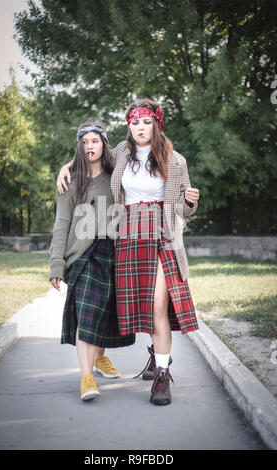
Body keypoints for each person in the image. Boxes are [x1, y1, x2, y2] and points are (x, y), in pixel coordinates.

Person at [57, 99, 200, 406]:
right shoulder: (121, 152)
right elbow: (89, 156)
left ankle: (162, 376)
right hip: (128, 237)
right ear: (129, 126)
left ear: (156, 125)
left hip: (162, 236)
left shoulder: (176, 161)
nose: (139, 128)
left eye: (145, 122)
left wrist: (190, 201)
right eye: (134, 122)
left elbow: (183, 210)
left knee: (158, 306)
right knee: (143, 308)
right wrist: (66, 166)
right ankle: (156, 354)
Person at [50, 121, 135, 402]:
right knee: (86, 317)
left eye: (95, 141)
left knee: (103, 313)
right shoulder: (70, 181)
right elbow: (61, 225)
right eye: (84, 141)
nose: (89, 146)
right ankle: (86, 377)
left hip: (114, 252)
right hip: (83, 256)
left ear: (103, 144)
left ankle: (100, 359)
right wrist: (55, 266)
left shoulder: (117, 177)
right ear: (79, 146)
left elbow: (139, 155)